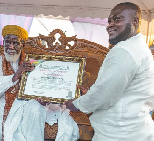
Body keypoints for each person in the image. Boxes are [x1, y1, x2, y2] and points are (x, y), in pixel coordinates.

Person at [0, 25, 79, 141]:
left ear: (22, 44)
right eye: (7, 42)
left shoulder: (34, 63)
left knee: (36, 109)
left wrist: (41, 97)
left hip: (24, 103)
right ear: (4, 43)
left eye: (15, 43)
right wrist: (15, 76)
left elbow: (43, 84)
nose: (11, 46)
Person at [64, 2, 154, 141]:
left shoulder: (125, 50)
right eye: (109, 20)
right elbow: (120, 89)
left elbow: (105, 94)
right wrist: (91, 94)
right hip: (132, 128)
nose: (110, 25)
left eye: (117, 19)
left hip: (120, 133)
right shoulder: (138, 47)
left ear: (135, 21)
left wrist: (76, 104)